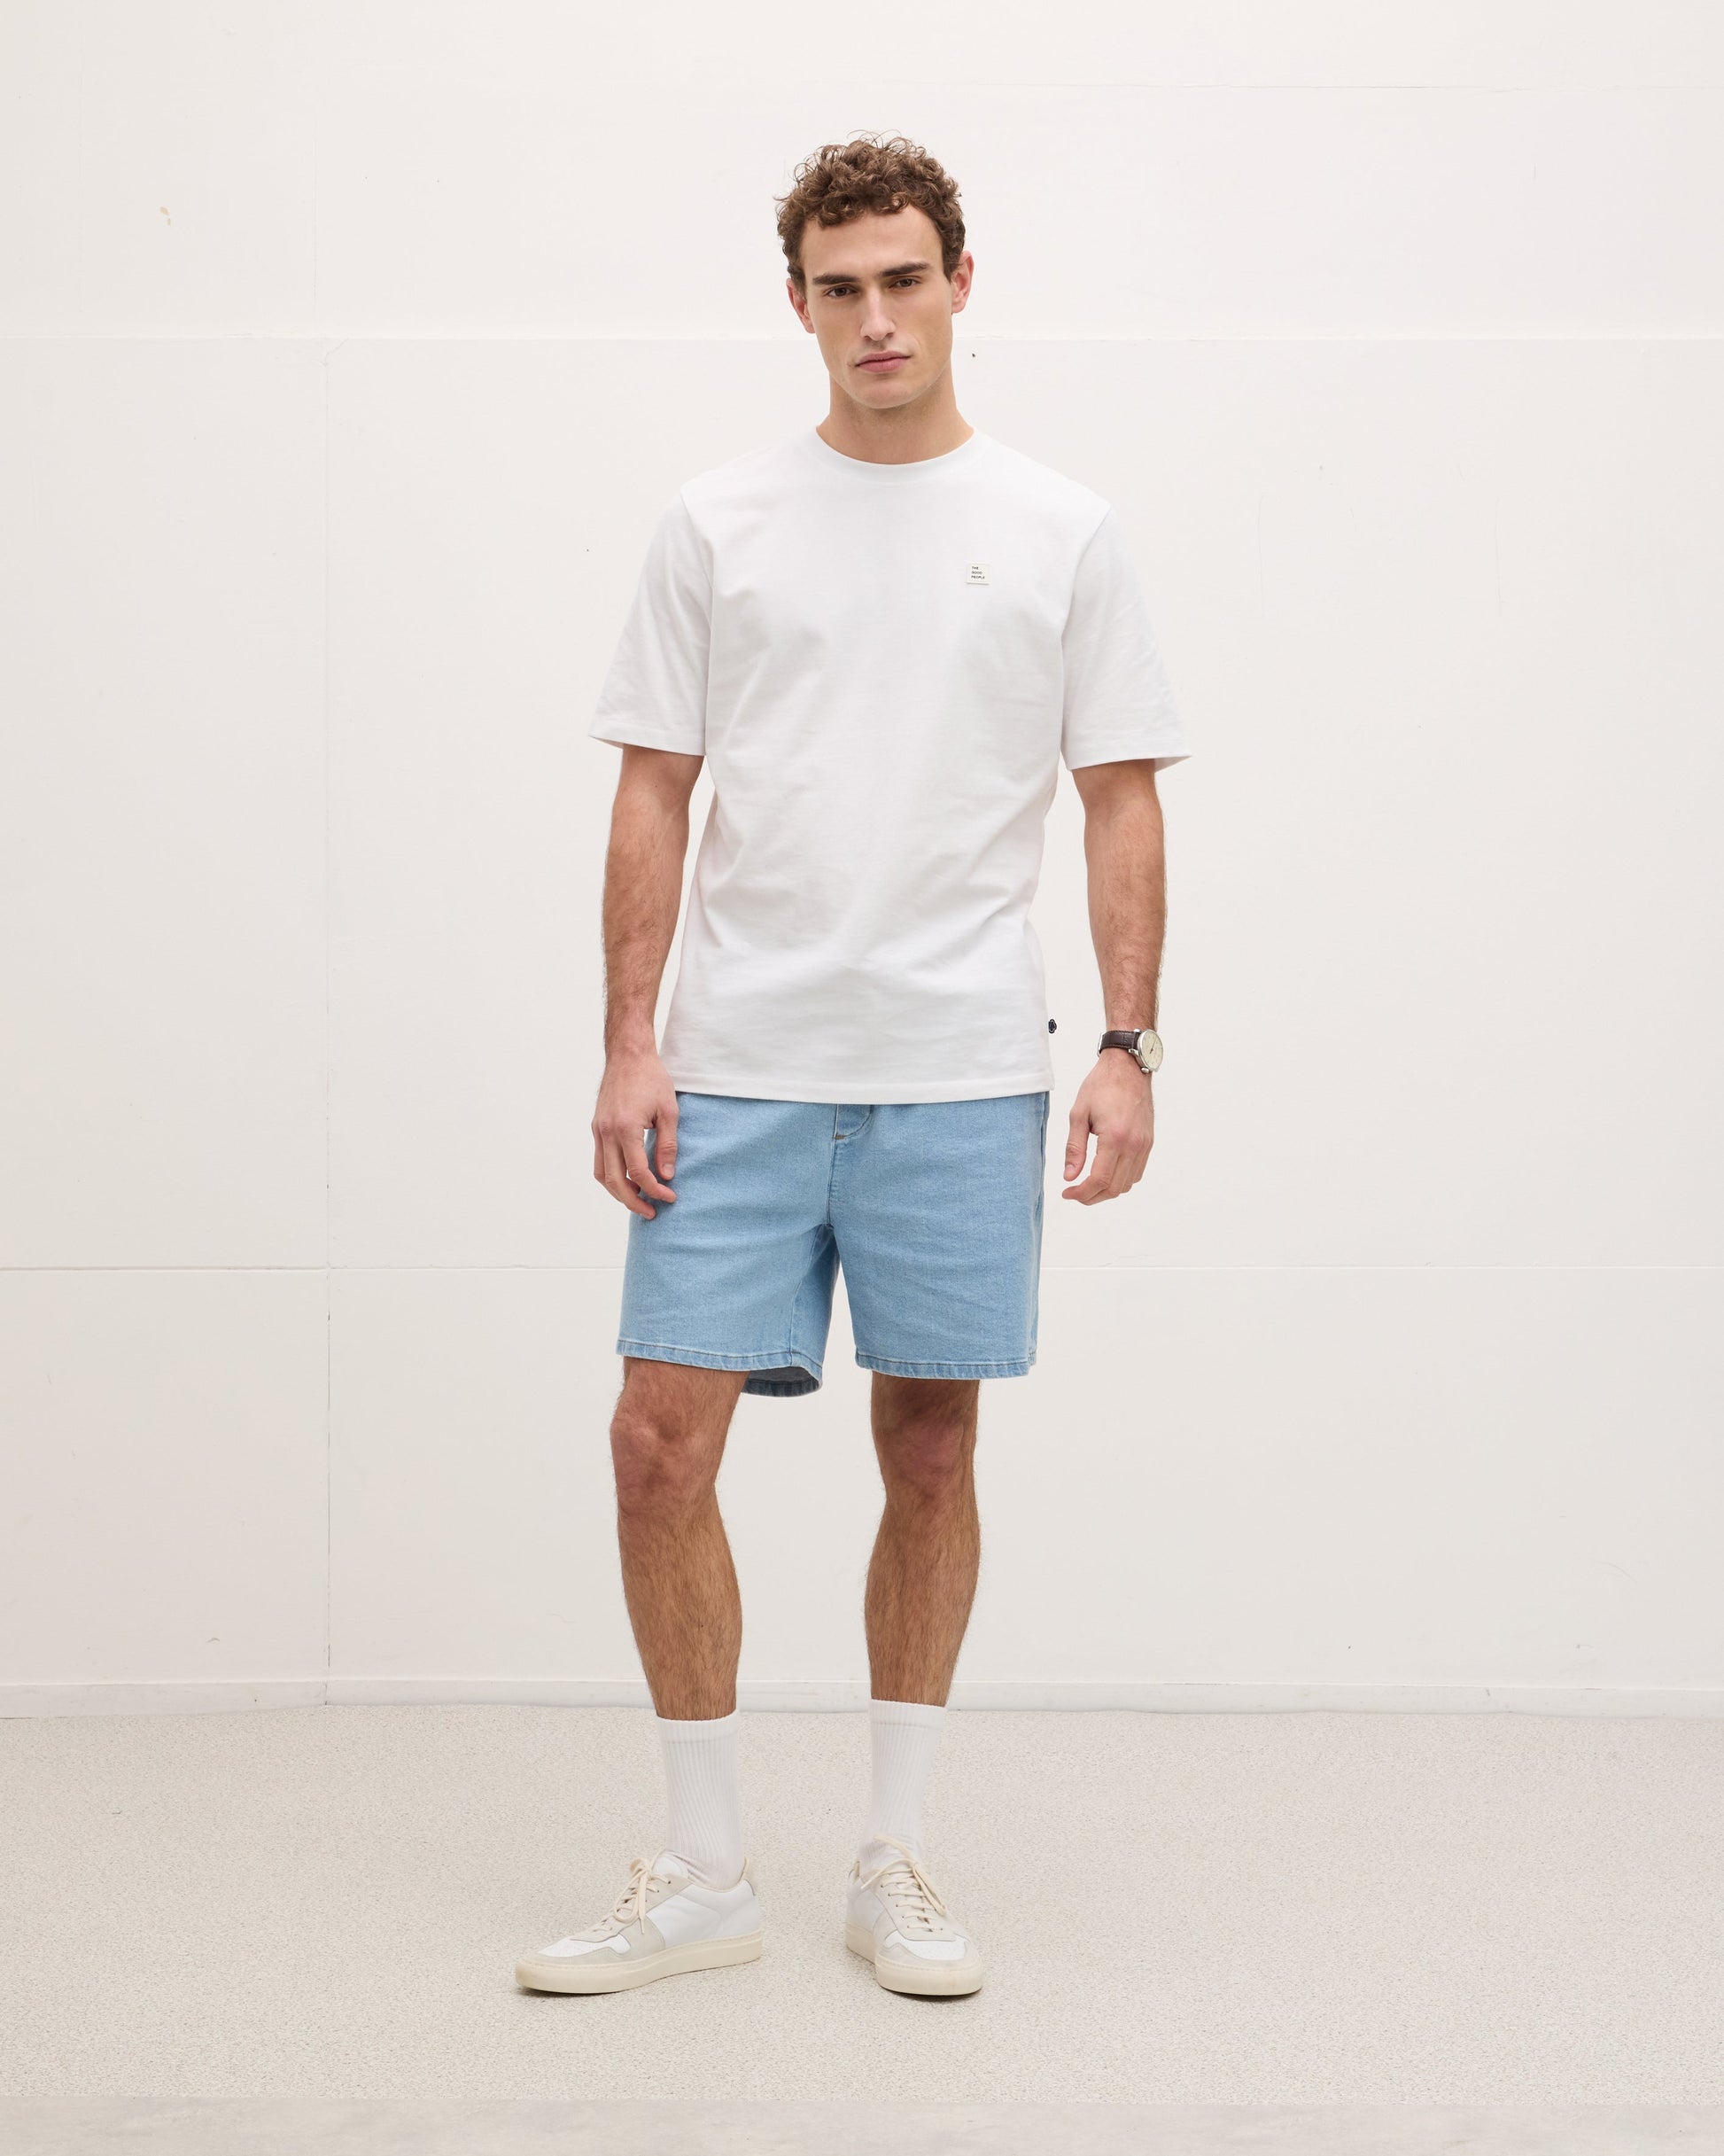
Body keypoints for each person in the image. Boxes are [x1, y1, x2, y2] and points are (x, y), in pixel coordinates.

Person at [516, 132, 1188, 2000]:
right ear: (799, 302)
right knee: (656, 1443)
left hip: (960, 1062)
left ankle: (892, 1857)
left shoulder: (1060, 529)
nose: (874, 316)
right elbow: (655, 786)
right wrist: (627, 1039)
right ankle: (703, 1870)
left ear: (959, 283)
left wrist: (1126, 1042)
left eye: (903, 278)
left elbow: (1117, 799)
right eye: (839, 287)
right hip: (736, 1062)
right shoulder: (717, 521)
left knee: (933, 1441)